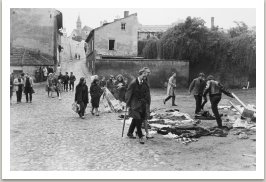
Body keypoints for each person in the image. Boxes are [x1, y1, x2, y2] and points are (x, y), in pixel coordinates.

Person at [125, 67, 151, 144]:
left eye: (146, 75)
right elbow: (128, 94)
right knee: (138, 120)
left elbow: (147, 93)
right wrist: (128, 104)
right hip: (134, 105)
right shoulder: (133, 83)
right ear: (140, 74)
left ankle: (130, 133)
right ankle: (140, 137)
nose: (145, 77)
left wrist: (147, 102)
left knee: (136, 119)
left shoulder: (144, 83)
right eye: (144, 75)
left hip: (142, 105)